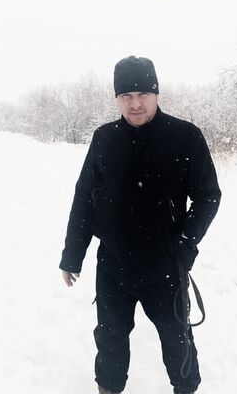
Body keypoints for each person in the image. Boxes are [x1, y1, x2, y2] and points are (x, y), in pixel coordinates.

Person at [59, 56, 221, 394]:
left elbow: (208, 196)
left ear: (156, 93)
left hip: (165, 266)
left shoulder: (185, 136)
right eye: (126, 95)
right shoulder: (104, 138)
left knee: (178, 341)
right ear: (117, 98)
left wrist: (185, 244)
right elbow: (85, 198)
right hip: (114, 265)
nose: (135, 103)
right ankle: (109, 389)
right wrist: (72, 255)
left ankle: (186, 389)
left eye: (143, 94)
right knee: (110, 340)